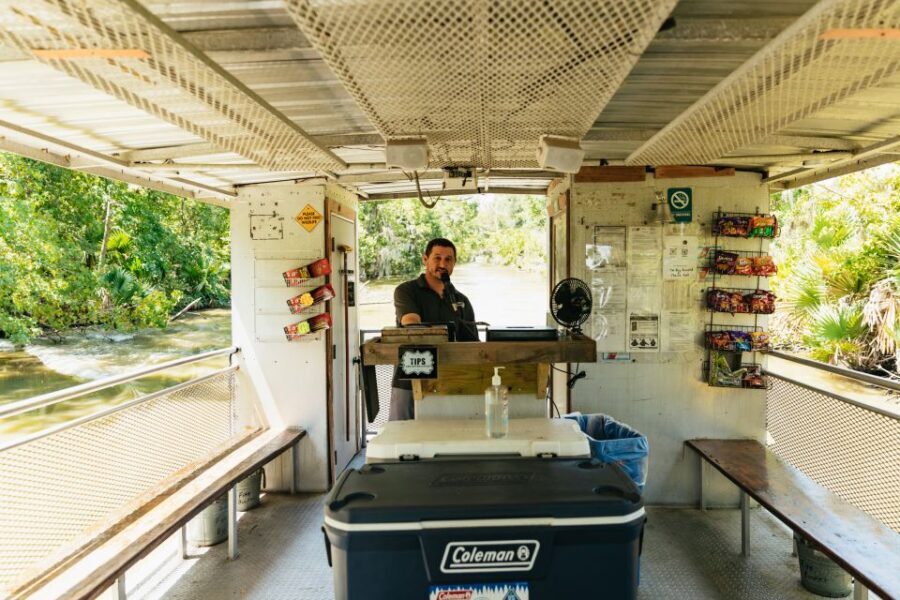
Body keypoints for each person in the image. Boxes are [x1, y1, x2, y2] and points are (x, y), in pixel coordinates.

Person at [389, 238, 478, 421]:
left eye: (448, 259)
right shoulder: (406, 291)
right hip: (411, 373)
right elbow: (412, 326)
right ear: (425, 259)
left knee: (443, 432)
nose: (442, 264)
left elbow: (473, 344)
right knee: (402, 432)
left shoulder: (461, 300)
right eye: (437, 258)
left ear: (454, 263)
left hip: (450, 379)